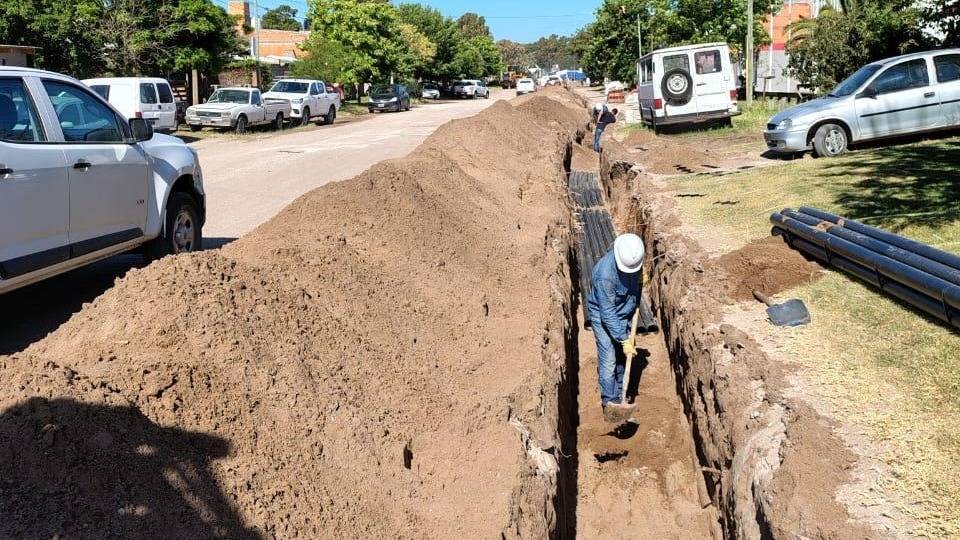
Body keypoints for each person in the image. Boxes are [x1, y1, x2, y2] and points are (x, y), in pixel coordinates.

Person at [587, 233, 645, 423]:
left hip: (625, 310)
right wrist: (624, 338)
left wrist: (640, 281)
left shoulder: (633, 258)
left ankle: (622, 394)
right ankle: (610, 402)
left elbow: (636, 279)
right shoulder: (605, 276)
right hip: (603, 315)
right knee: (609, 359)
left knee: (622, 356)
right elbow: (608, 314)